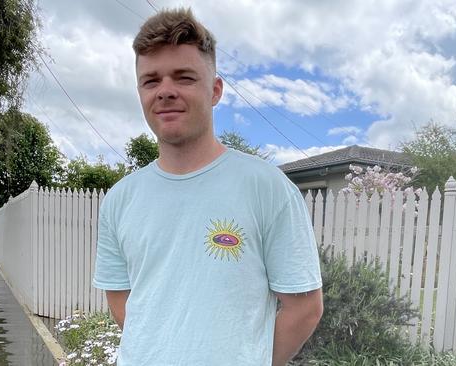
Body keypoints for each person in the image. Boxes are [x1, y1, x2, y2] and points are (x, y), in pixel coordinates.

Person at [93, 8, 322, 366]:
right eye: (151, 81)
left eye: (184, 77)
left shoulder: (267, 188)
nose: (165, 91)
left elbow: (305, 307)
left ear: (215, 90)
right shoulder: (120, 200)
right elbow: (119, 296)